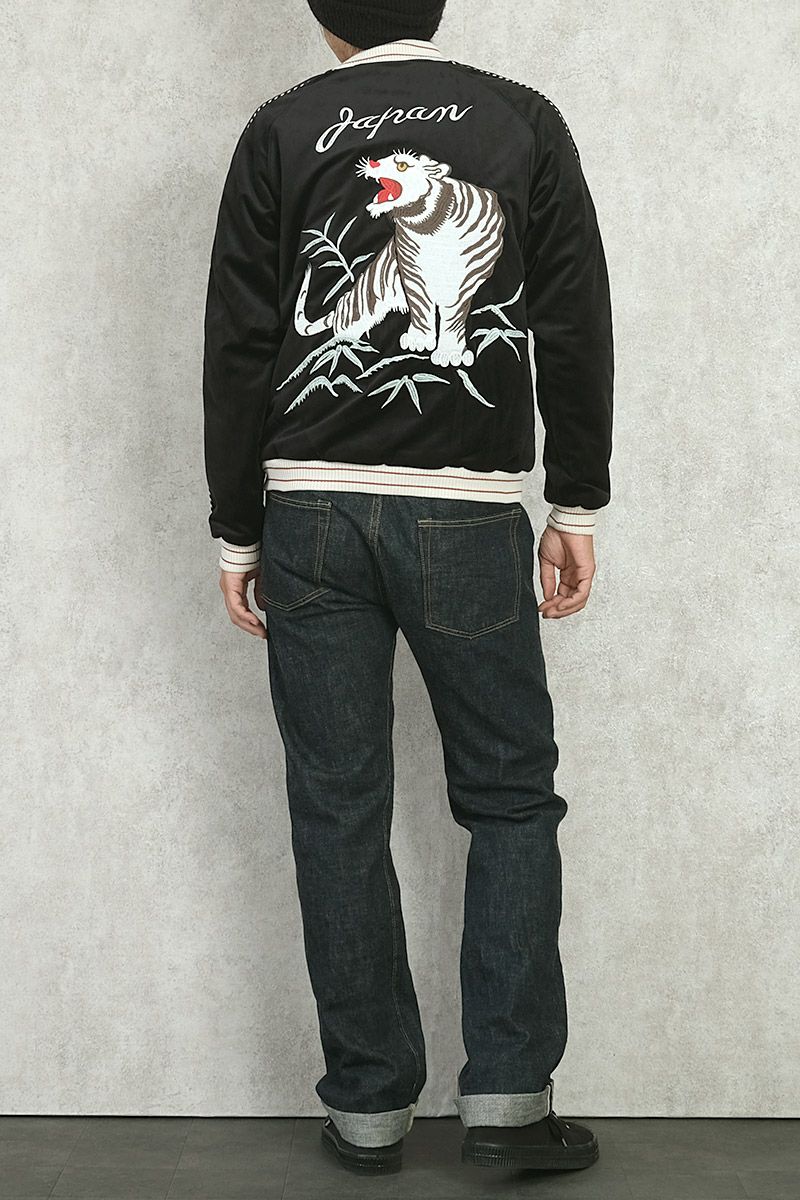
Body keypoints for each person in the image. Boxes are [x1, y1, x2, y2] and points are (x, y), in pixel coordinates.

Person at [202, 0, 613, 1177]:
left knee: (335, 806)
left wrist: (238, 530)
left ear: (321, 15)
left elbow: (237, 341)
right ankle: (509, 1106)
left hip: (311, 515)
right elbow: (571, 316)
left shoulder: (281, 128)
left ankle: (368, 1108)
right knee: (509, 799)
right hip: (464, 513)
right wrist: (575, 502)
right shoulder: (521, 119)